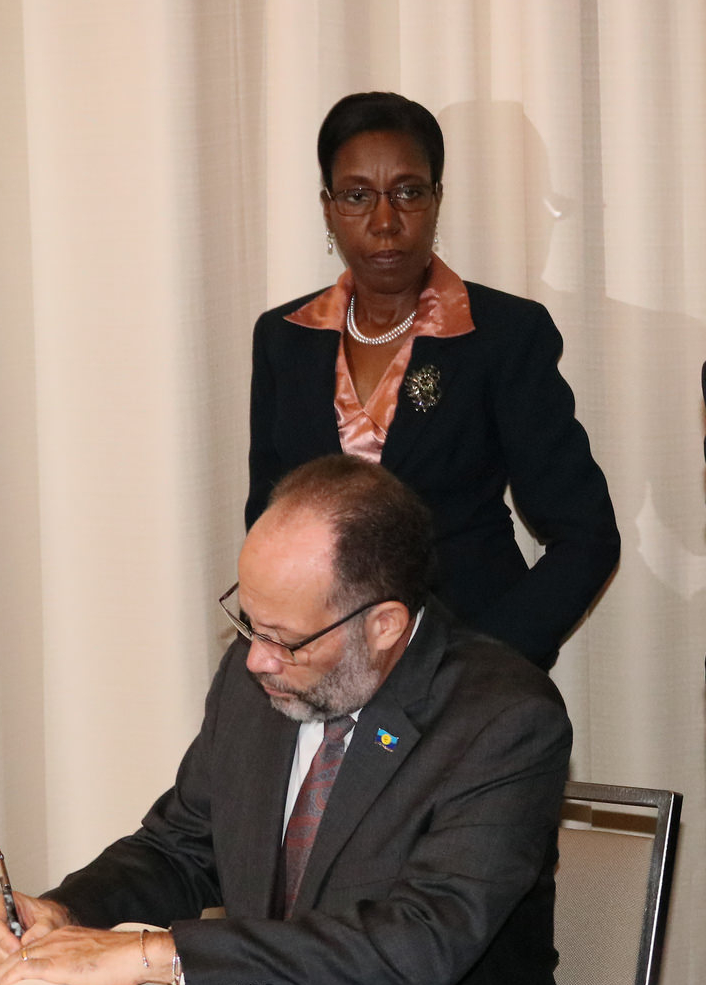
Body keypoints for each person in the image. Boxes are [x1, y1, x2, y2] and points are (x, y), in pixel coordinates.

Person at [0, 457, 568, 985]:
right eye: (248, 623)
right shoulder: (258, 675)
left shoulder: (503, 719)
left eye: (285, 639)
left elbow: (419, 942)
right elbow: (182, 848)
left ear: (383, 625)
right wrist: (67, 911)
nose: (257, 660)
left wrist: (157, 954)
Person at [246, 91, 619, 671]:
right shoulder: (284, 338)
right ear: (328, 208)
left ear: (438, 199)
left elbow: (587, 535)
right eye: (357, 196)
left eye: (409, 192)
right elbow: (267, 521)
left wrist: (487, 665)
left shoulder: (503, 335)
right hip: (318, 674)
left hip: (463, 680)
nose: (385, 220)